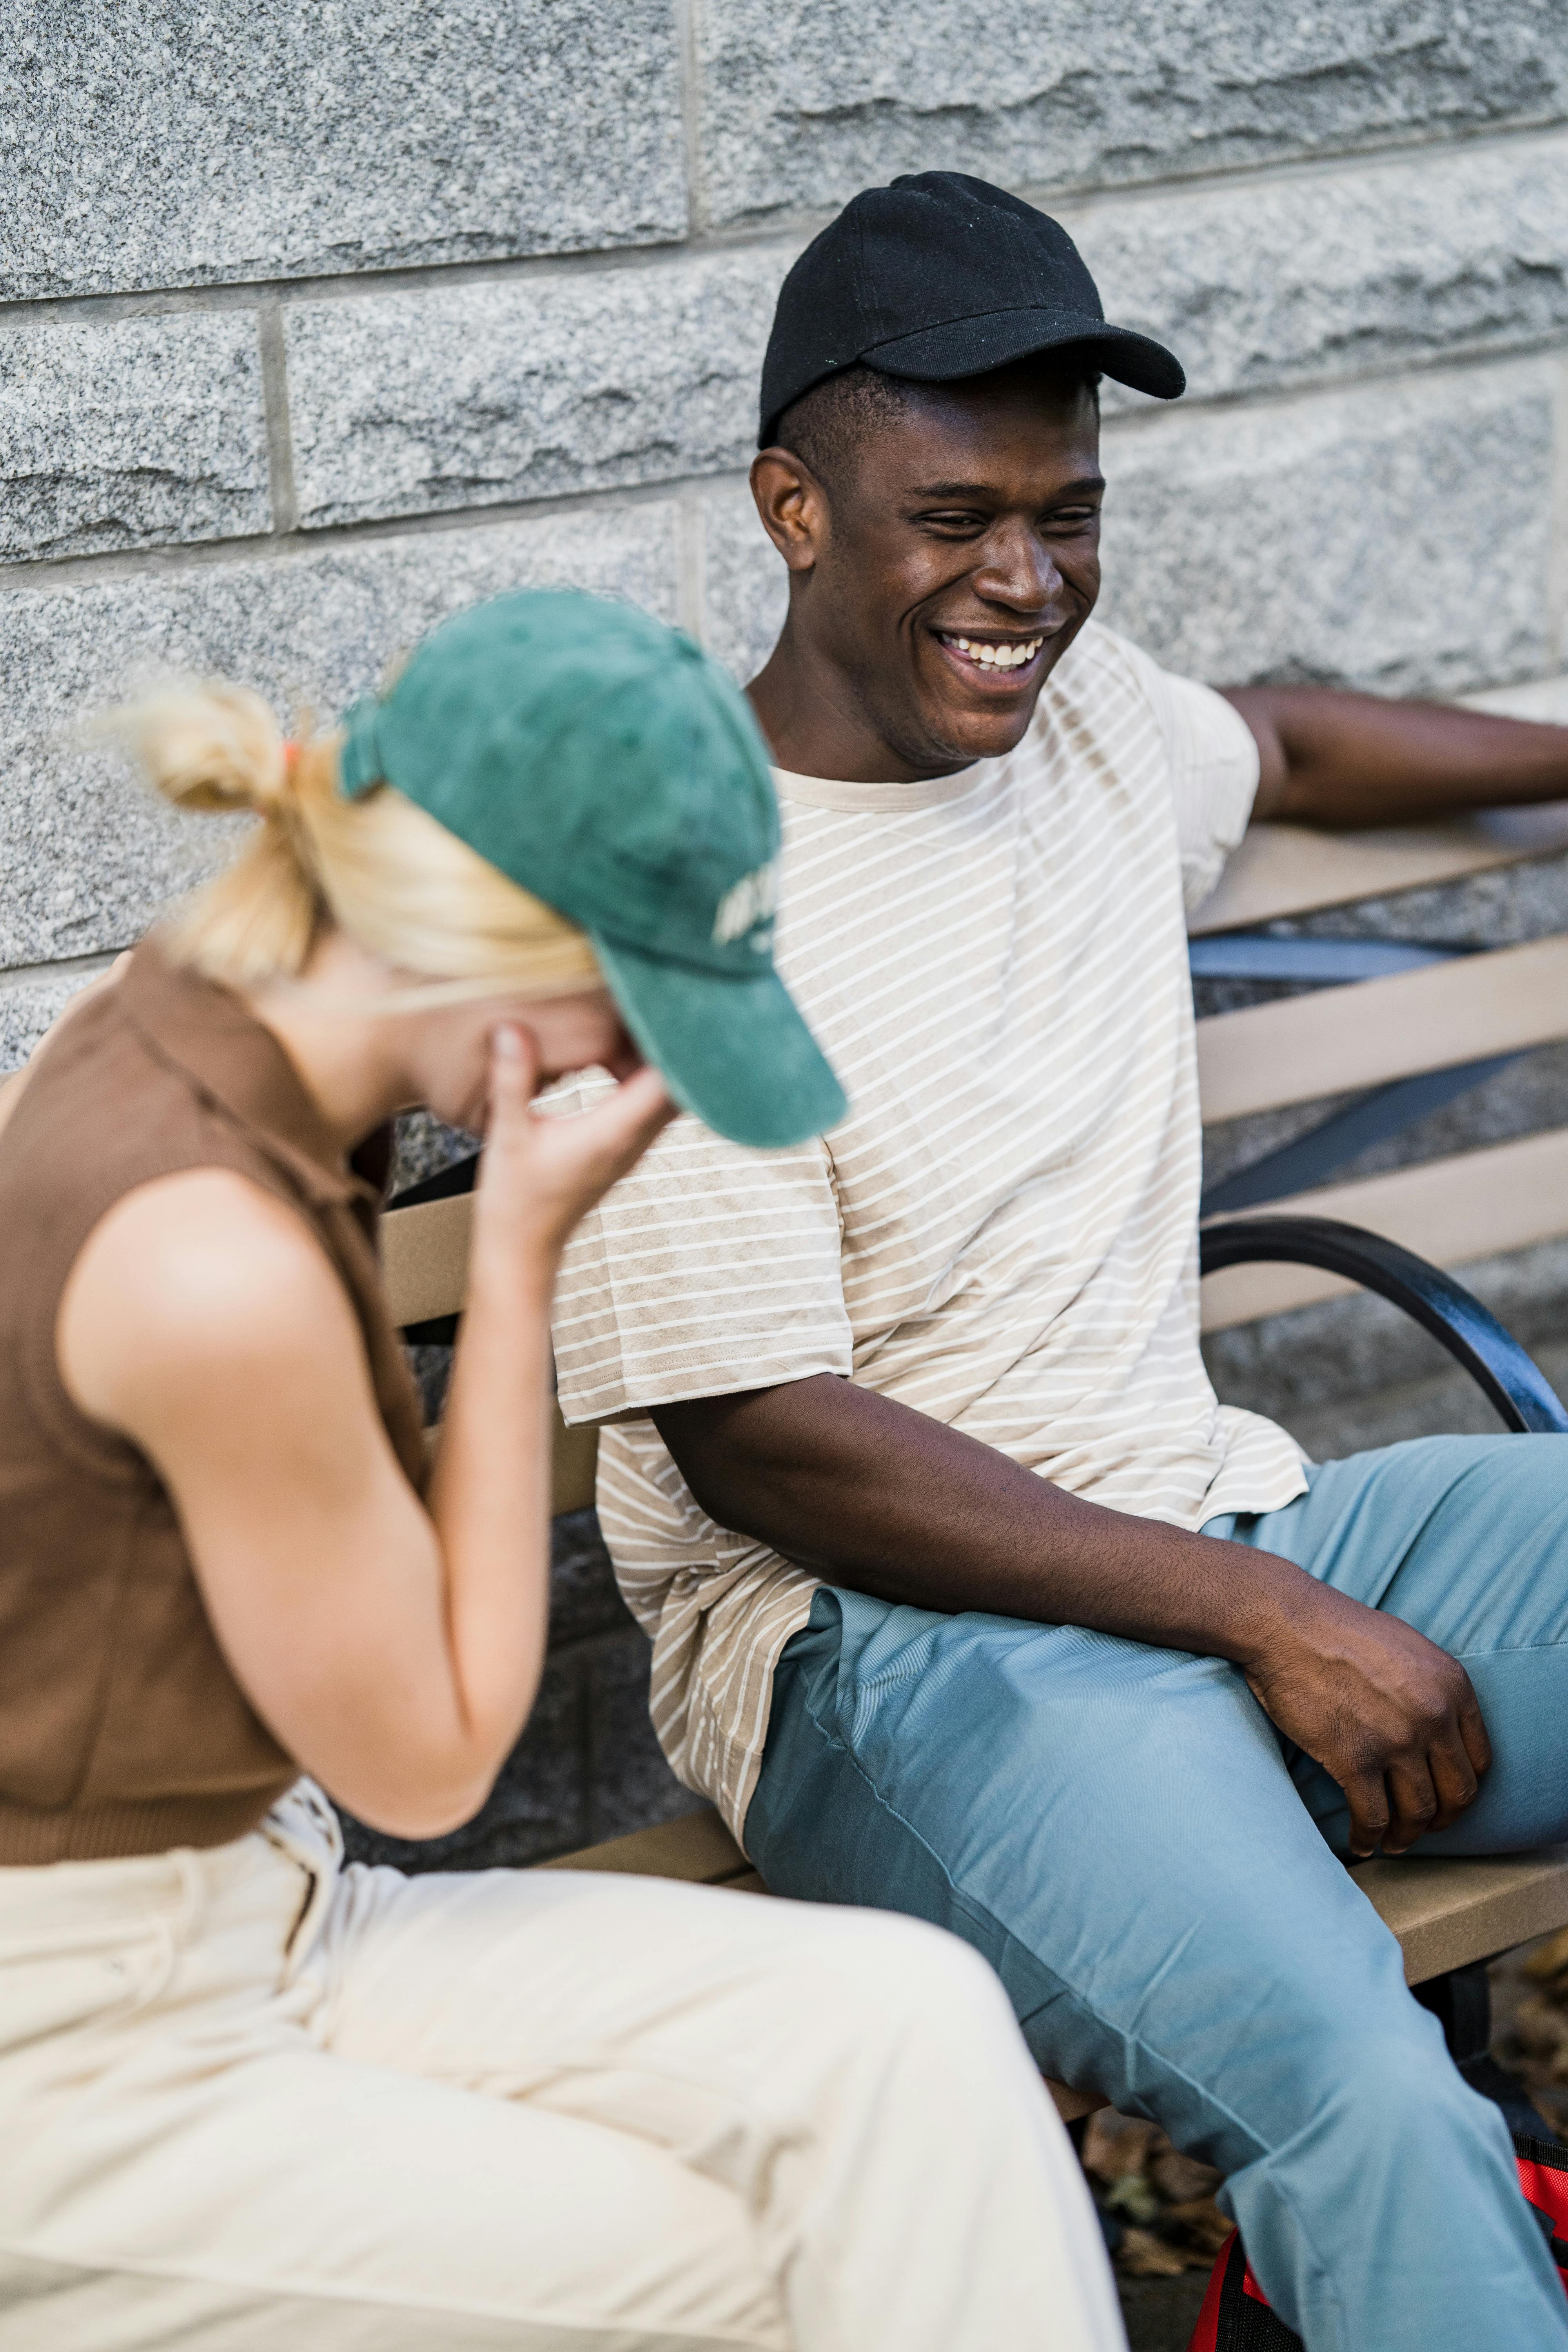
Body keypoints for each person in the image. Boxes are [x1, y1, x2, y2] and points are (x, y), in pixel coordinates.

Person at [546, 175, 1568, 2352]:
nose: (1025, 581)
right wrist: (1270, 1618)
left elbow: (1284, 737)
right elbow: (763, 1440)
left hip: (1221, 1519)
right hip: (897, 1663)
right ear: (793, 508)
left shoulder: (1084, 734)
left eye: (1068, 513)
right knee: (1375, 2105)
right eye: (954, 516)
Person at [0, 588, 1125, 2352]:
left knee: (907, 2028)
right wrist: (518, 1260)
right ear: (492, 929)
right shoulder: (208, 1255)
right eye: (646, 1005)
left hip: (258, 1908)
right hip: (72, 2052)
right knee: (735, 2274)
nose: (646, 1071)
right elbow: (435, 1757)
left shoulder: (227, 1000)